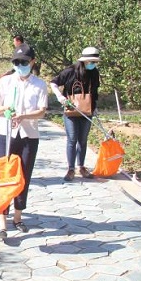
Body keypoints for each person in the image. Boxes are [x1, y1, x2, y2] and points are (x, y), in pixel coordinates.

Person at [0, 44, 48, 239]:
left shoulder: (40, 85)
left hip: (28, 135)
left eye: (23, 62)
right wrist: (6, 108)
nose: (20, 65)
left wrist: (24, 116)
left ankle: (18, 216)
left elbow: (42, 111)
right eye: (16, 62)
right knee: (4, 176)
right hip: (5, 133)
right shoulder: (5, 82)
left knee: (23, 175)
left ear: (32, 62)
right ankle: (2, 222)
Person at [49, 46, 101, 181]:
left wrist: (95, 107)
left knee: (83, 140)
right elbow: (53, 83)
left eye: (94, 62)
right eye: (91, 61)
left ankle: (81, 166)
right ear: (84, 60)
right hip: (71, 111)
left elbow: (94, 92)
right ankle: (70, 169)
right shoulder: (70, 71)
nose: (93, 64)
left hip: (87, 111)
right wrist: (60, 97)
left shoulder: (94, 73)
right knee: (72, 139)